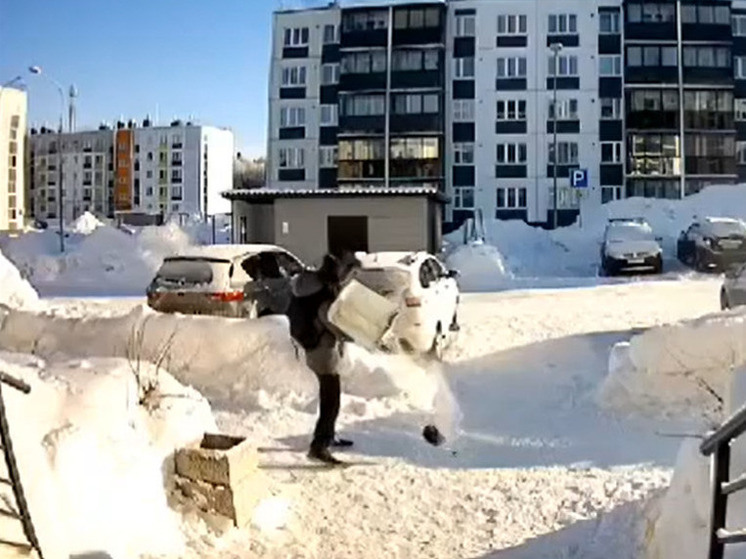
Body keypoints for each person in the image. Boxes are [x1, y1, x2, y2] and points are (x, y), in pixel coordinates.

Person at [286, 252, 358, 464]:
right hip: (322, 351)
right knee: (331, 401)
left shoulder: (307, 285)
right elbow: (332, 322)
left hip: (310, 346)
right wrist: (351, 333)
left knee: (329, 396)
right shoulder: (324, 295)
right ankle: (320, 446)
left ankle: (329, 435)